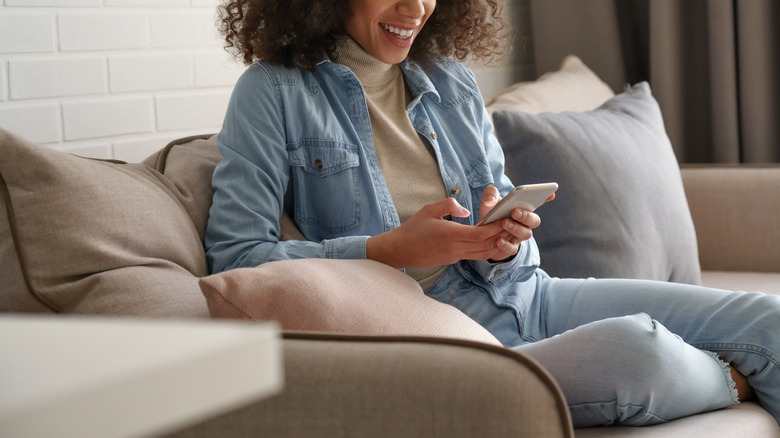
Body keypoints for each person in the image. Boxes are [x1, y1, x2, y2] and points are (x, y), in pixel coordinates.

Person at [206, 0, 780, 428]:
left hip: (529, 296)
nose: (415, 10)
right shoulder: (272, 94)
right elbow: (237, 256)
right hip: (449, 342)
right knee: (638, 354)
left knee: (770, 320)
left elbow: (508, 231)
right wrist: (387, 251)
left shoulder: (451, 81)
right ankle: (733, 381)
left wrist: (506, 239)